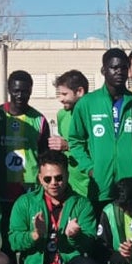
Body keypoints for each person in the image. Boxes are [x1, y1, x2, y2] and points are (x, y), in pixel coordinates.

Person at [6, 150, 104, 264]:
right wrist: (34, 235)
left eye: (59, 178)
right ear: (39, 178)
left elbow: (90, 244)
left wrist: (75, 236)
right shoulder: (25, 202)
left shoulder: (81, 204)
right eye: (48, 179)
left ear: (67, 175)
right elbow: (13, 241)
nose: (54, 184)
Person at [68, 49, 132, 210]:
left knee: (130, 233)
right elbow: (75, 141)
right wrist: (90, 168)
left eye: (123, 68)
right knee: (103, 234)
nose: (119, 72)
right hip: (100, 186)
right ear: (103, 70)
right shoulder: (88, 103)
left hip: (131, 186)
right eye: (114, 68)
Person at [0, 70, 50, 235]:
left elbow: (45, 156)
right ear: (9, 89)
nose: (20, 95)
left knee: (30, 234)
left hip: (29, 189)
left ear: (31, 90)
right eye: (16, 90)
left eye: (25, 91)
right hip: (0, 186)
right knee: (5, 236)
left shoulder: (40, 120)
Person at [50, 69, 90, 198]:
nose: (60, 99)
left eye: (64, 94)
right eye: (59, 94)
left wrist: (68, 146)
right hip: (70, 186)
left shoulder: (94, 115)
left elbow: (100, 149)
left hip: (90, 185)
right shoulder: (62, 114)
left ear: (79, 92)